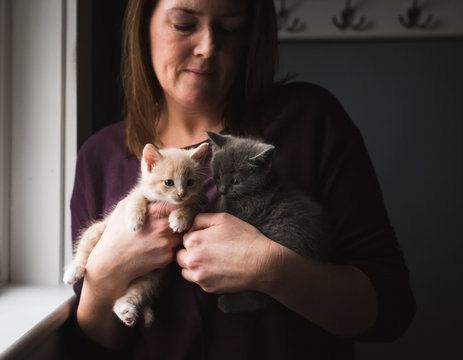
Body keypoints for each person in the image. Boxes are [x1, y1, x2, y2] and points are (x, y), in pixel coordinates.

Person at [66, 0, 415, 358]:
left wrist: (270, 268)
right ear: (143, 29)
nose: (207, 47)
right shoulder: (100, 156)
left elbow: (391, 308)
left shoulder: (311, 122)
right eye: (184, 25)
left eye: (230, 28)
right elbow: (90, 350)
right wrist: (105, 278)